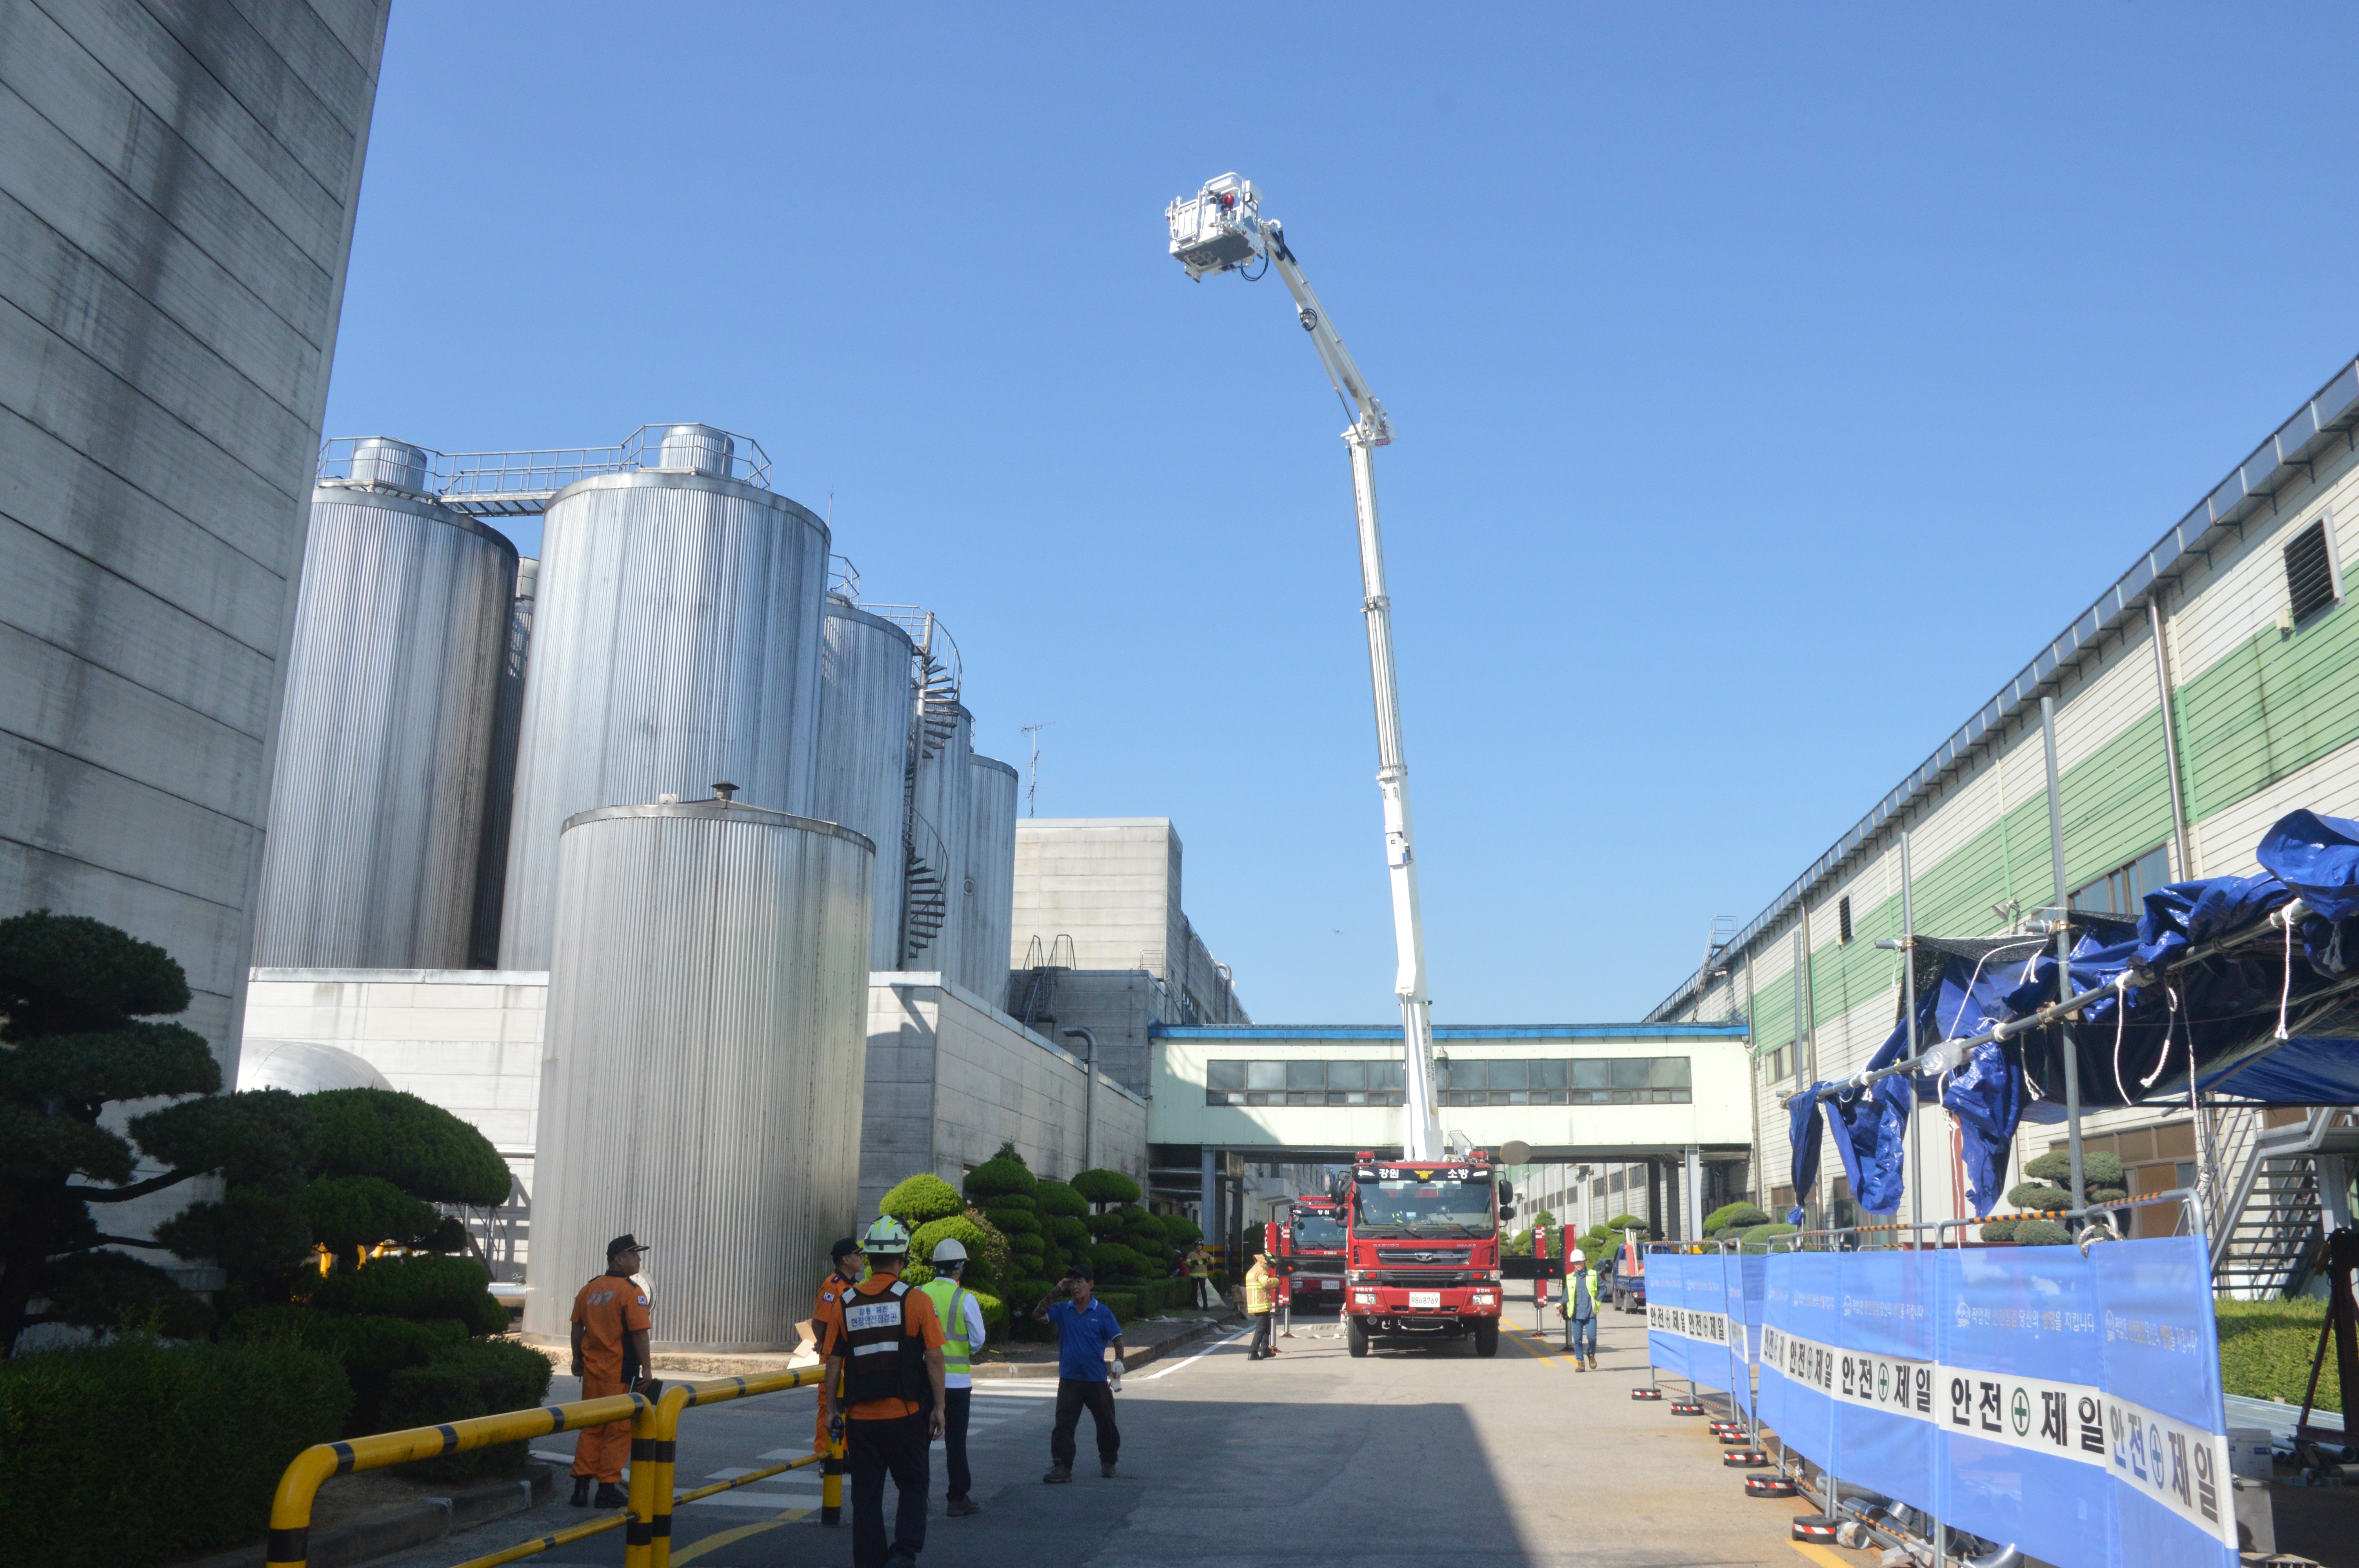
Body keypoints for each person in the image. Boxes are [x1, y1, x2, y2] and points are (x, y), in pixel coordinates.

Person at [816, 1216, 946, 1568]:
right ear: (903, 1258)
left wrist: (832, 1411)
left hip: (861, 1421)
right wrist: (940, 1408)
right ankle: (903, 1554)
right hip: (906, 1416)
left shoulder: (846, 1302)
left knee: (866, 1499)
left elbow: (833, 1362)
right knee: (914, 1486)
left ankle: (870, 1562)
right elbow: (934, 1357)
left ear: (870, 1258)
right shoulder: (917, 1301)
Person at [569, 1234, 654, 1509]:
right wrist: (647, 1369)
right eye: (634, 1255)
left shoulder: (590, 1289)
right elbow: (639, 1334)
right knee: (618, 1429)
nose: (639, 1260)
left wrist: (577, 1359)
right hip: (619, 1372)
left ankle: (581, 1487)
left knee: (591, 1427)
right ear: (619, 1259)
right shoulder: (631, 1292)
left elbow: (577, 1327)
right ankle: (607, 1487)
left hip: (592, 1371)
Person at [918, 1238, 989, 1518]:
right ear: (960, 1267)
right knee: (956, 1442)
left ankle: (918, 1496)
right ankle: (957, 1498)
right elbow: (978, 1339)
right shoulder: (965, 1299)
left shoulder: (920, 1294)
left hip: (924, 1380)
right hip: (957, 1384)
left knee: (921, 1441)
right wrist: (963, 1350)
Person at [1031, 1265, 1122, 1481]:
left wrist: (1120, 1361)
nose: (1075, 1287)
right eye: (1072, 1282)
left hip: (1096, 1379)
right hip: (1070, 1379)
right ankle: (1062, 1467)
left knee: (1106, 1422)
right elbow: (1037, 1315)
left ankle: (1108, 1460)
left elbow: (1117, 1338)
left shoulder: (1102, 1312)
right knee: (1064, 1424)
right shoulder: (1063, 1310)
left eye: (1080, 1282)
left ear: (1091, 1285)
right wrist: (1056, 1291)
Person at [810, 1236, 867, 1454]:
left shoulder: (854, 1287)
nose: (861, 1259)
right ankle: (825, 1455)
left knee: (849, 1407)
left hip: (850, 1359)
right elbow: (819, 1321)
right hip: (834, 1358)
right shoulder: (832, 1286)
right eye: (857, 1255)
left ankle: (844, 1453)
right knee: (829, 1406)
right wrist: (824, 1343)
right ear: (846, 1259)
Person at [1559, 1250, 1599, 1370]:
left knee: (1592, 1338)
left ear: (1584, 1261)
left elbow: (1602, 1288)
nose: (1578, 1264)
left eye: (1580, 1262)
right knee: (1577, 1340)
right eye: (1576, 1262)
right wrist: (1560, 1303)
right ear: (1573, 1264)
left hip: (1590, 1313)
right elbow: (1566, 1295)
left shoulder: (1593, 1275)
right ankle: (1580, 1363)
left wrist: (1599, 1300)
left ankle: (1591, 1354)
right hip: (1576, 1315)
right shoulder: (1570, 1278)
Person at [1241, 1249, 1279, 1361]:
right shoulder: (1261, 1270)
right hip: (1261, 1303)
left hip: (1257, 1303)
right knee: (1261, 1329)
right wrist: (1277, 1281)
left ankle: (1265, 1351)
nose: (1270, 1268)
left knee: (1267, 1327)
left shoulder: (1253, 1269)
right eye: (1271, 1265)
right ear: (1267, 1262)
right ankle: (1253, 1352)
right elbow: (1266, 1282)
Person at [1184, 1243, 1214, 1310]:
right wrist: (1192, 1263)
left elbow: (1213, 1260)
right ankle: (1195, 1306)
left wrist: (1208, 1260)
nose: (1199, 1247)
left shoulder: (1206, 1254)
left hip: (1203, 1276)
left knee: (1203, 1290)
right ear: (1195, 1246)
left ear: (1202, 1247)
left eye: (1200, 1246)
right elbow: (1187, 1263)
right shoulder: (1191, 1254)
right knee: (1195, 1291)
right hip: (1194, 1275)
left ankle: (1205, 1306)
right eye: (1197, 1246)